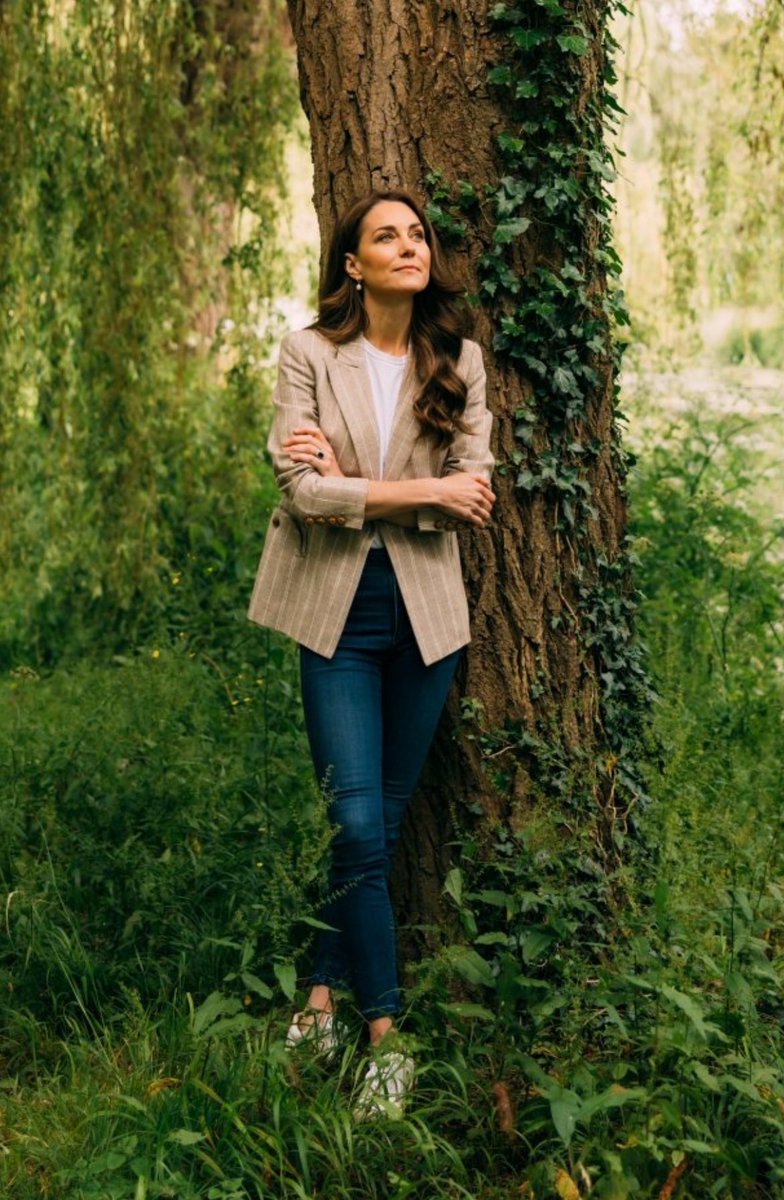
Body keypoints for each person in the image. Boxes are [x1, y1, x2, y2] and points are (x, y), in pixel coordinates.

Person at [247, 187, 495, 1118]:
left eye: (416, 234)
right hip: (334, 611)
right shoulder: (309, 353)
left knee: (378, 824)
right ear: (353, 265)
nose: (408, 245)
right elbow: (302, 492)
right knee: (353, 822)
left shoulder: (458, 361)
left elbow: (474, 493)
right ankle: (386, 1036)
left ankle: (319, 999)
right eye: (385, 236)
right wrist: (414, 493)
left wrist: (355, 484)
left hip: (426, 615)